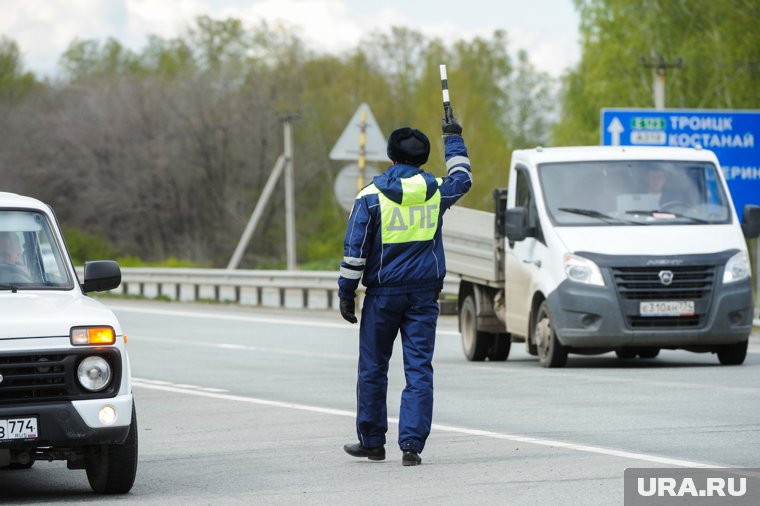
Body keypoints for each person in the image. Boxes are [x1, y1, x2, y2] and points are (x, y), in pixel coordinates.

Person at [338, 111, 472, 466]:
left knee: (373, 367)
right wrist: (453, 137)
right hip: (424, 296)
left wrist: (346, 293)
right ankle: (411, 446)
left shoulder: (370, 196)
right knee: (418, 369)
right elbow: (463, 178)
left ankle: (372, 441)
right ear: (423, 158)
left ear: (391, 158)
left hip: (383, 297)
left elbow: (355, 252)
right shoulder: (436, 192)